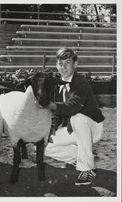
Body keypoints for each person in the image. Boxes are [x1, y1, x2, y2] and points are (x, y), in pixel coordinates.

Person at [45, 47, 105, 186]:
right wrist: (51, 128)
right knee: (43, 145)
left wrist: (51, 105)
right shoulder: (56, 84)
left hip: (92, 127)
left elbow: (73, 107)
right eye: (60, 63)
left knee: (78, 117)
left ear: (75, 64)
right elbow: (57, 115)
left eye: (67, 62)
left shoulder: (80, 82)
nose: (63, 67)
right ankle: (80, 157)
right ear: (56, 65)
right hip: (73, 129)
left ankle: (87, 170)